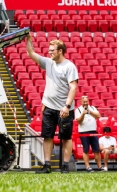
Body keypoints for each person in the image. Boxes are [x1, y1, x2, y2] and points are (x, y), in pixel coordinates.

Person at [26, 33, 79, 174]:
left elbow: (73, 87)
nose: (49, 53)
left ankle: (66, 165)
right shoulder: (49, 62)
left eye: (52, 51)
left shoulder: (69, 66)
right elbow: (31, 53)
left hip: (64, 109)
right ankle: (47, 165)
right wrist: (28, 40)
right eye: (49, 51)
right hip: (48, 107)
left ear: (60, 51)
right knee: (47, 136)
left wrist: (67, 106)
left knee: (66, 138)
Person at [75, 96, 103, 172]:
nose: (85, 103)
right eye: (84, 102)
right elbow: (79, 121)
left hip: (93, 131)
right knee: (86, 150)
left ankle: (99, 167)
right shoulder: (78, 110)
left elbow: (98, 116)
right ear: (81, 102)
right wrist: (83, 114)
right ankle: (88, 167)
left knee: (96, 150)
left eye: (86, 101)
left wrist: (89, 111)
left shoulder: (92, 108)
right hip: (83, 132)